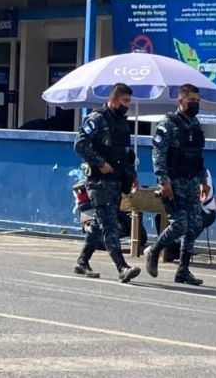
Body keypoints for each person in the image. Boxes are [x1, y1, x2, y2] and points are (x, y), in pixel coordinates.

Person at [72, 83, 141, 283]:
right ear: (113, 99)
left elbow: (125, 154)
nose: (127, 105)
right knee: (110, 224)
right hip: (99, 182)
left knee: (98, 224)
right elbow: (80, 144)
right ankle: (122, 267)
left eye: (129, 101)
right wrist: (100, 163)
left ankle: (82, 261)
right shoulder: (97, 119)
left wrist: (132, 175)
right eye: (124, 101)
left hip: (116, 181)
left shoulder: (122, 123)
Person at [144, 84, 209, 286]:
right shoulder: (168, 124)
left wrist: (203, 180)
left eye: (198, 101)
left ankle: (183, 270)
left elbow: (198, 155)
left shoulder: (195, 125)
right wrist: (163, 181)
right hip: (174, 182)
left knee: (196, 224)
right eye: (192, 101)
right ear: (180, 101)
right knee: (180, 224)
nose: (195, 105)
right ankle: (154, 251)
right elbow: (158, 154)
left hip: (191, 181)